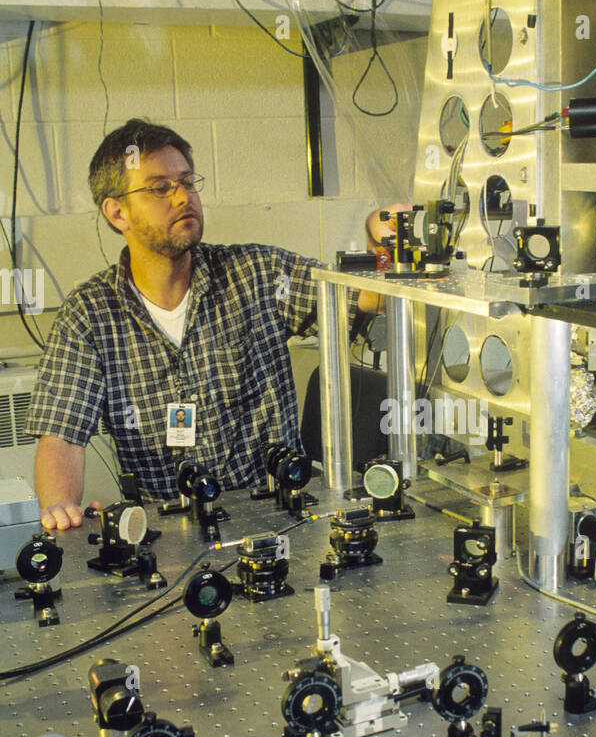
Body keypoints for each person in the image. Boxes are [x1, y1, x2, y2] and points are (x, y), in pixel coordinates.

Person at [27, 119, 382, 530]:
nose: (183, 197)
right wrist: (60, 509)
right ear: (117, 212)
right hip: (170, 533)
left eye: (188, 182)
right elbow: (61, 434)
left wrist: (381, 245)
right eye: (160, 187)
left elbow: (363, 299)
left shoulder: (257, 274)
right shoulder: (89, 314)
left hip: (278, 521)